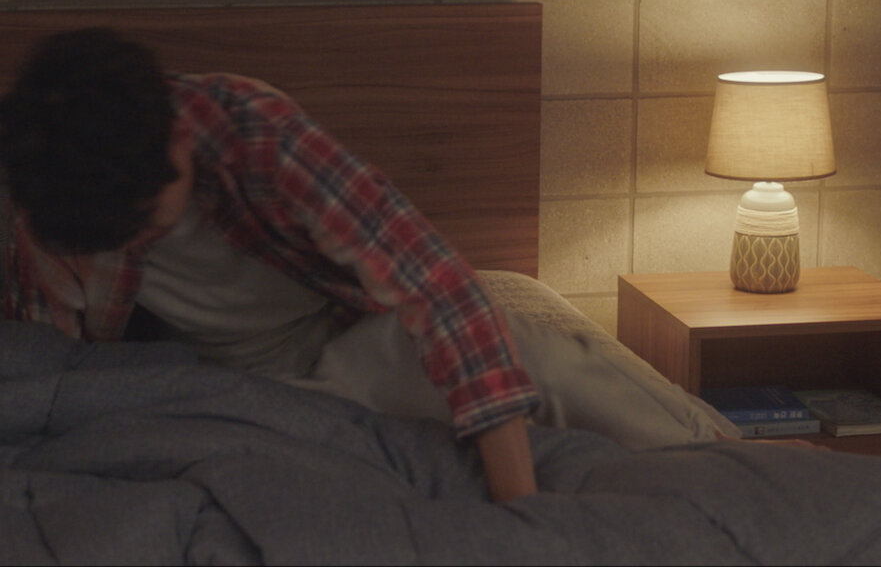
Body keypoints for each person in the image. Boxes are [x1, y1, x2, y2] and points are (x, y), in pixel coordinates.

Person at [0, 28, 541, 502]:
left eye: (143, 220)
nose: (131, 239)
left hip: (344, 333)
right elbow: (57, 362)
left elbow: (438, 287)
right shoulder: (50, 188)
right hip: (212, 384)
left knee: (543, 368)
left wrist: (521, 507)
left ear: (178, 137)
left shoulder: (260, 133)